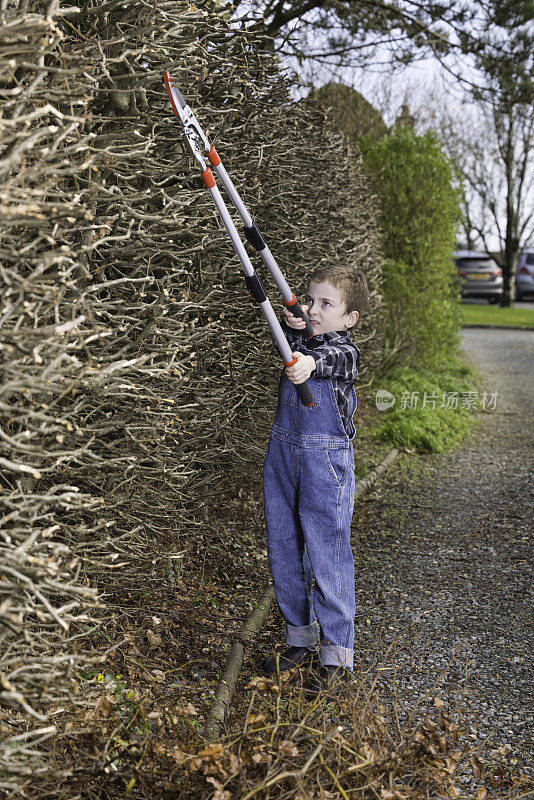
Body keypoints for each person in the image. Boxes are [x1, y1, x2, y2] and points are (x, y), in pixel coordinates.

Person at [260, 265, 369, 697]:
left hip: (325, 463)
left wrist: (308, 360)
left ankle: (338, 655)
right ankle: (299, 641)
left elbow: (329, 357)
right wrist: (297, 332)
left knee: (328, 555)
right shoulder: (301, 343)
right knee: (284, 547)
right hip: (283, 456)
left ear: (349, 318)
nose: (314, 309)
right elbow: (302, 344)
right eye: (310, 300)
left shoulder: (342, 354)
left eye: (327, 303)